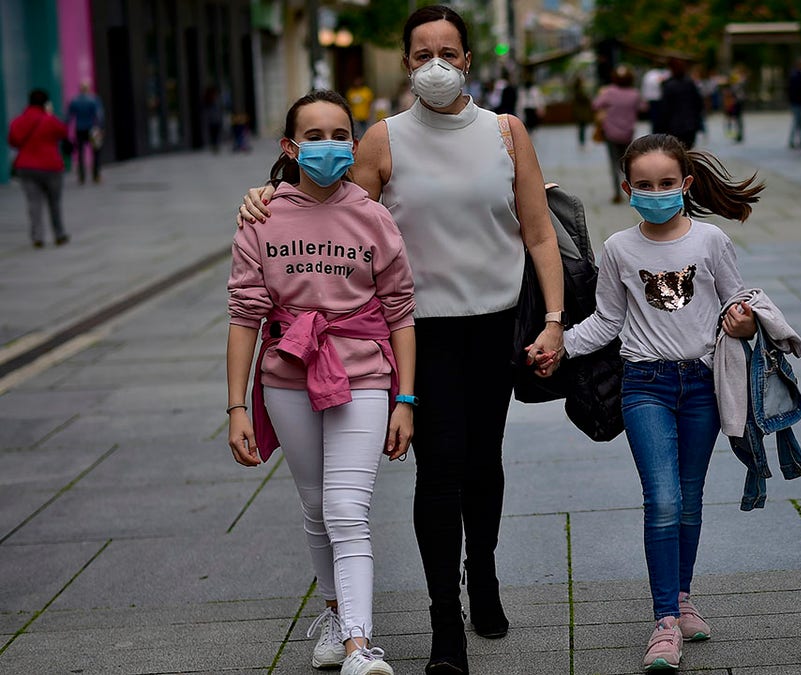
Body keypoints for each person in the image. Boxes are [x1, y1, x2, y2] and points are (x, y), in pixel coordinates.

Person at [237, 7, 565, 674]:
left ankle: (486, 575)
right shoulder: (383, 139)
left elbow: (537, 230)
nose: (436, 63)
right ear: (409, 63)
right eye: (422, 54)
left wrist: (555, 318)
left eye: (448, 50)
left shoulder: (506, 132)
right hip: (419, 331)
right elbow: (331, 209)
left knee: (484, 462)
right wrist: (265, 193)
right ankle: (446, 623)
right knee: (439, 468)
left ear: (469, 59)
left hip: (494, 322)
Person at [542, 133, 763, 671]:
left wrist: (746, 320)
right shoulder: (620, 248)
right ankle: (664, 620)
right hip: (644, 385)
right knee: (661, 498)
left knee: (689, 498)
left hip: (702, 386)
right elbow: (608, 321)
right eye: (644, 185)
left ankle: (683, 598)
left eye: (667, 184)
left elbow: (739, 302)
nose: (656, 193)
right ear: (627, 189)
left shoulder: (710, 243)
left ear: (685, 185)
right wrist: (558, 343)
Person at [226, 90, 415, 675]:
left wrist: (404, 398)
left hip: (363, 374)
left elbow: (401, 311)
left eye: (339, 135)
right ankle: (335, 615)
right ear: (290, 147)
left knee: (344, 507)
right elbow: (244, 315)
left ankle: (359, 643)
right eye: (314, 136)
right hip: (286, 377)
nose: (328, 146)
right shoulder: (262, 216)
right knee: (314, 506)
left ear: (354, 145)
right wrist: (237, 407)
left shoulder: (373, 216)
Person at [8, 89, 70, 248]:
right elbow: (63, 132)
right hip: (51, 166)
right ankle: (59, 234)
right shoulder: (50, 120)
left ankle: (37, 236)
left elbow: (13, 141)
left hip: (27, 167)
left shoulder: (19, 121)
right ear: (46, 103)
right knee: (54, 203)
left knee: (33, 203)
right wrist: (50, 114)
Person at [593, 65, 645, 203]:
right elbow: (643, 107)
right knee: (627, 164)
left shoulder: (609, 92)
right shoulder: (634, 94)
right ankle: (631, 190)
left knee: (613, 163)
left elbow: (596, 105)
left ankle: (617, 193)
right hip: (628, 133)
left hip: (611, 132)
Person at [659, 58, 705, 149]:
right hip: (689, 125)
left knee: (676, 152)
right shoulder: (690, 83)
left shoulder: (668, 85)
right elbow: (699, 103)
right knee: (688, 152)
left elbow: (664, 109)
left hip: (673, 126)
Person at [66, 80, 104, 184]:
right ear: (89, 88)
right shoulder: (94, 99)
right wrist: (101, 127)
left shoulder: (74, 101)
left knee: (80, 153)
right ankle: (96, 175)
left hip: (80, 128)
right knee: (96, 152)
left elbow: (69, 117)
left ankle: (82, 177)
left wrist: (66, 129)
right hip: (93, 128)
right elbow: (99, 115)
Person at [641, 62, 669, 134]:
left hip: (655, 100)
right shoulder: (666, 73)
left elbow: (645, 88)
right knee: (659, 121)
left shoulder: (649, 74)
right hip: (658, 100)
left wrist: (645, 99)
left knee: (656, 121)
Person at [570, 74, 593, 148]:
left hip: (579, 112)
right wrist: (588, 97)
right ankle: (582, 143)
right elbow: (585, 99)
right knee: (582, 128)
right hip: (581, 112)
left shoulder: (576, 90)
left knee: (581, 128)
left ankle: (582, 142)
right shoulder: (579, 90)